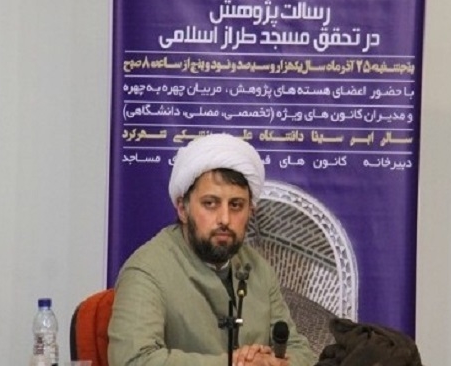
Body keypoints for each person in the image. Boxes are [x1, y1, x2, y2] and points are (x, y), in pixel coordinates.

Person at [108, 133, 315, 366]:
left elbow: (300, 351)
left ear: (251, 212)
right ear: (182, 209)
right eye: (210, 203)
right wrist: (233, 363)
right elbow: (133, 360)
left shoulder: (257, 268)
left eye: (236, 205)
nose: (224, 219)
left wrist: (271, 363)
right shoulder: (147, 271)